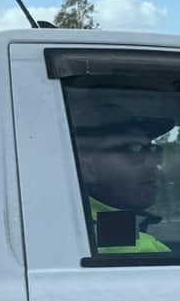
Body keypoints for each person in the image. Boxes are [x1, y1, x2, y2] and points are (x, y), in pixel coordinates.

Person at [71, 96, 174, 254]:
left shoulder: (75, 228)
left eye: (153, 151)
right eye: (133, 150)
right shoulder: (125, 246)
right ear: (86, 167)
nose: (151, 164)